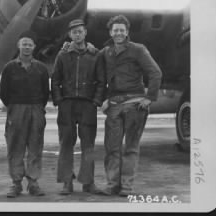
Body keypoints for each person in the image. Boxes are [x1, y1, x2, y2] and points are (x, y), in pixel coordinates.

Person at [100, 14, 162, 197]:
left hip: (135, 105)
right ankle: (112, 185)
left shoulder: (138, 50)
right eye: (115, 30)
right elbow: (98, 72)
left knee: (130, 148)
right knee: (112, 147)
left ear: (127, 32)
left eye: (122, 30)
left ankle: (126, 187)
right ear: (110, 32)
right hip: (114, 105)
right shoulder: (106, 52)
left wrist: (150, 97)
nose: (118, 33)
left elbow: (155, 73)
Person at [51, 19, 106, 195]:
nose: (77, 34)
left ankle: (88, 182)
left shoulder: (95, 55)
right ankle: (67, 182)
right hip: (67, 104)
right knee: (66, 143)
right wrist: (59, 100)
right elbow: (55, 79)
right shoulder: (63, 55)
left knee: (88, 145)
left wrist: (96, 101)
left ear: (85, 33)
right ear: (70, 35)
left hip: (87, 105)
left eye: (80, 31)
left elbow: (101, 81)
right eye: (74, 32)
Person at [0, 31, 49, 198]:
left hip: (36, 109)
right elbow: (3, 93)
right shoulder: (9, 67)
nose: (27, 47)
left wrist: (37, 108)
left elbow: (45, 92)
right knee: (15, 147)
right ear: (18, 45)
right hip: (16, 109)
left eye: (30, 44)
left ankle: (33, 182)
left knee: (35, 146)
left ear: (34, 47)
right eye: (24, 43)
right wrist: (14, 107)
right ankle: (16, 183)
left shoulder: (41, 68)